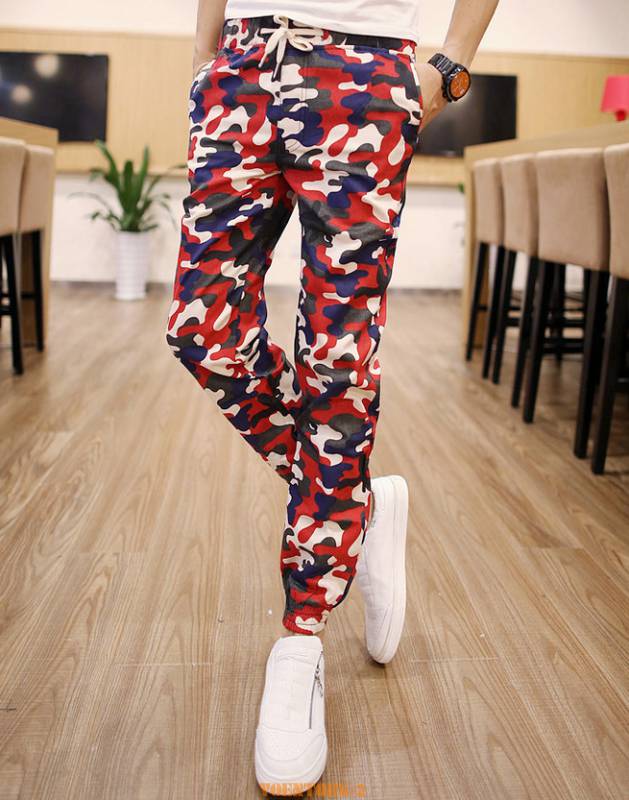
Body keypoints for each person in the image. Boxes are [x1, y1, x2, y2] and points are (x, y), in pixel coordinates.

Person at [166, 0, 499, 793]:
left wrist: (450, 63)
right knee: (200, 329)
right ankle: (355, 503)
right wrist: (204, 62)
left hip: (365, 70)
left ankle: (302, 635)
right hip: (241, 66)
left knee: (335, 360)